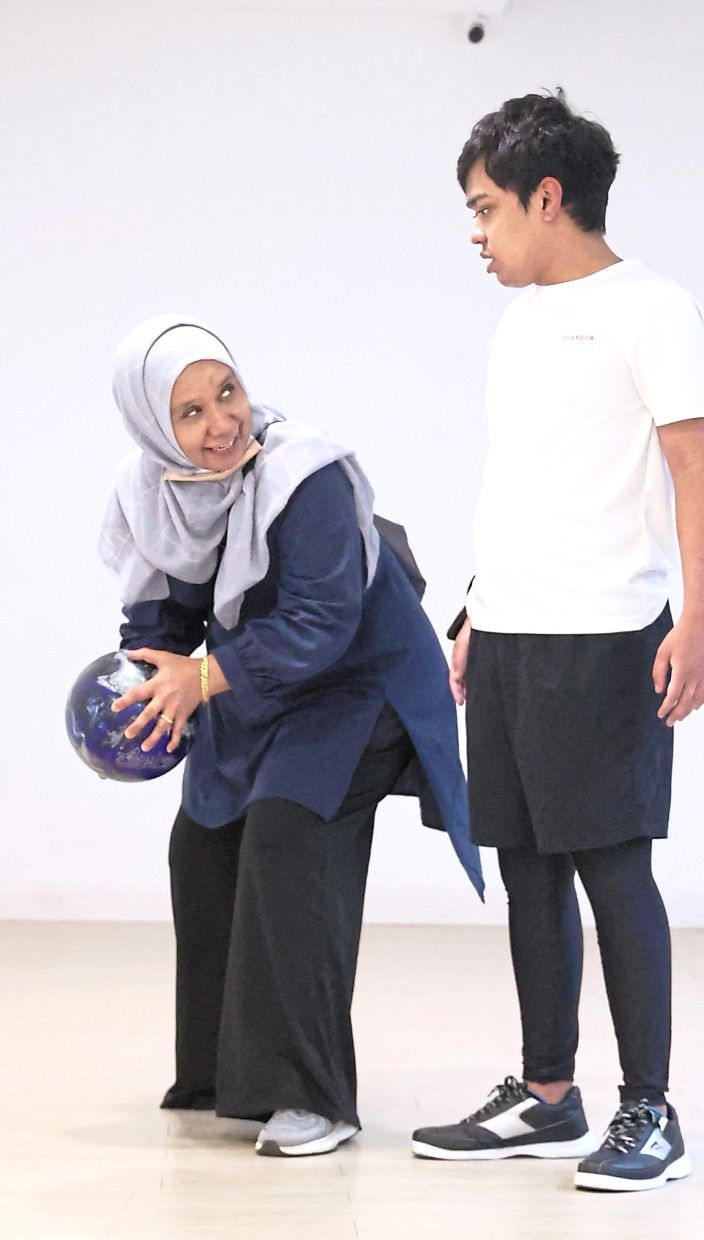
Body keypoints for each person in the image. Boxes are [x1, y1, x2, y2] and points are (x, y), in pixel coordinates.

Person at [411, 91, 704, 1192]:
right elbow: (525, 485)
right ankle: (550, 1093)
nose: (476, 233)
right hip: (507, 633)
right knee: (527, 866)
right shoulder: (520, 320)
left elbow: (696, 471)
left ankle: (651, 1110)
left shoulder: (653, 310)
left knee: (612, 871)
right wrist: (470, 609)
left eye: (486, 208)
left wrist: (699, 617)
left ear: (550, 199)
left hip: (605, 640)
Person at [99, 314, 483, 1158]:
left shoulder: (303, 474)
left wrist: (197, 679)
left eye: (226, 392)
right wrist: (135, 700)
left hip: (357, 679)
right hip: (259, 682)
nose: (221, 422)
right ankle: (219, 1076)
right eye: (190, 412)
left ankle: (315, 1097)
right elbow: (163, 613)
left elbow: (321, 620)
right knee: (201, 843)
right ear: (155, 426)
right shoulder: (150, 490)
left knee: (286, 837)